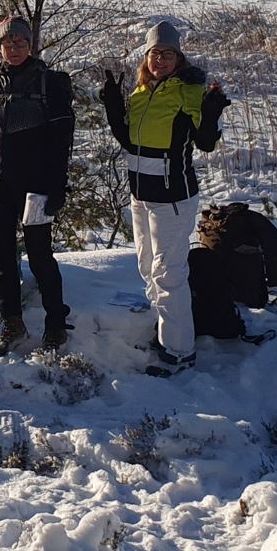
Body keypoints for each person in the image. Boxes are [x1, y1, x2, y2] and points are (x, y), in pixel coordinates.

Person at [99, 20, 228, 376]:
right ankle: (164, 332)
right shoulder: (141, 92)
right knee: (147, 267)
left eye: (168, 53)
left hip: (173, 197)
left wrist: (212, 110)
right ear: (146, 56)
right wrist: (113, 104)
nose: (160, 59)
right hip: (141, 194)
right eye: (155, 53)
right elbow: (128, 140)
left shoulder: (188, 91)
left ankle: (179, 351)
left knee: (169, 274)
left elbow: (205, 142)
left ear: (178, 58)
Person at [0, 17, 76, 356]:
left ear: (30, 45)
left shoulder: (49, 83)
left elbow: (61, 140)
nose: (13, 49)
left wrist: (57, 187)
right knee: (2, 260)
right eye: (7, 43)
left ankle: (55, 325)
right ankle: (12, 322)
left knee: (41, 257)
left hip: (36, 188)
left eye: (20, 43)